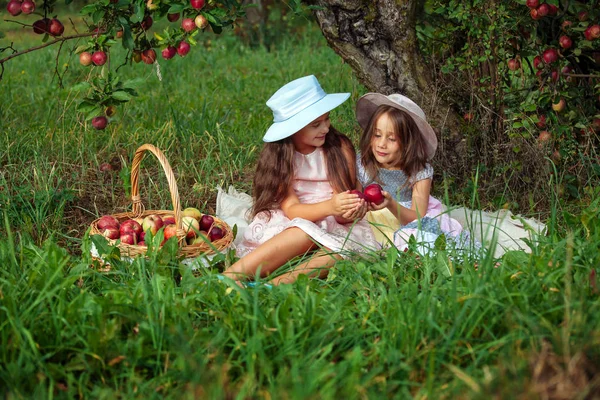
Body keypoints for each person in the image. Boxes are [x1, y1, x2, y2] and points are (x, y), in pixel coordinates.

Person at [222, 76, 378, 285]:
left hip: (334, 218)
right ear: (293, 129)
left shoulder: (338, 148)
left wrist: (348, 210)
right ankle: (230, 277)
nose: (325, 128)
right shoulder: (281, 158)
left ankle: (274, 285)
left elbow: (343, 199)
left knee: (341, 251)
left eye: (327, 119)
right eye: (316, 124)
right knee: (303, 232)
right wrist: (330, 206)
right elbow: (293, 209)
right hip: (298, 217)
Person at [355, 93, 477, 253]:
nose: (381, 144)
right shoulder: (364, 164)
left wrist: (391, 204)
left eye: (391, 139)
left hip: (407, 220)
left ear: (408, 144)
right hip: (376, 222)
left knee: (421, 237)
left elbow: (417, 217)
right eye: (377, 135)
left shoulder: (419, 171)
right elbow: (356, 199)